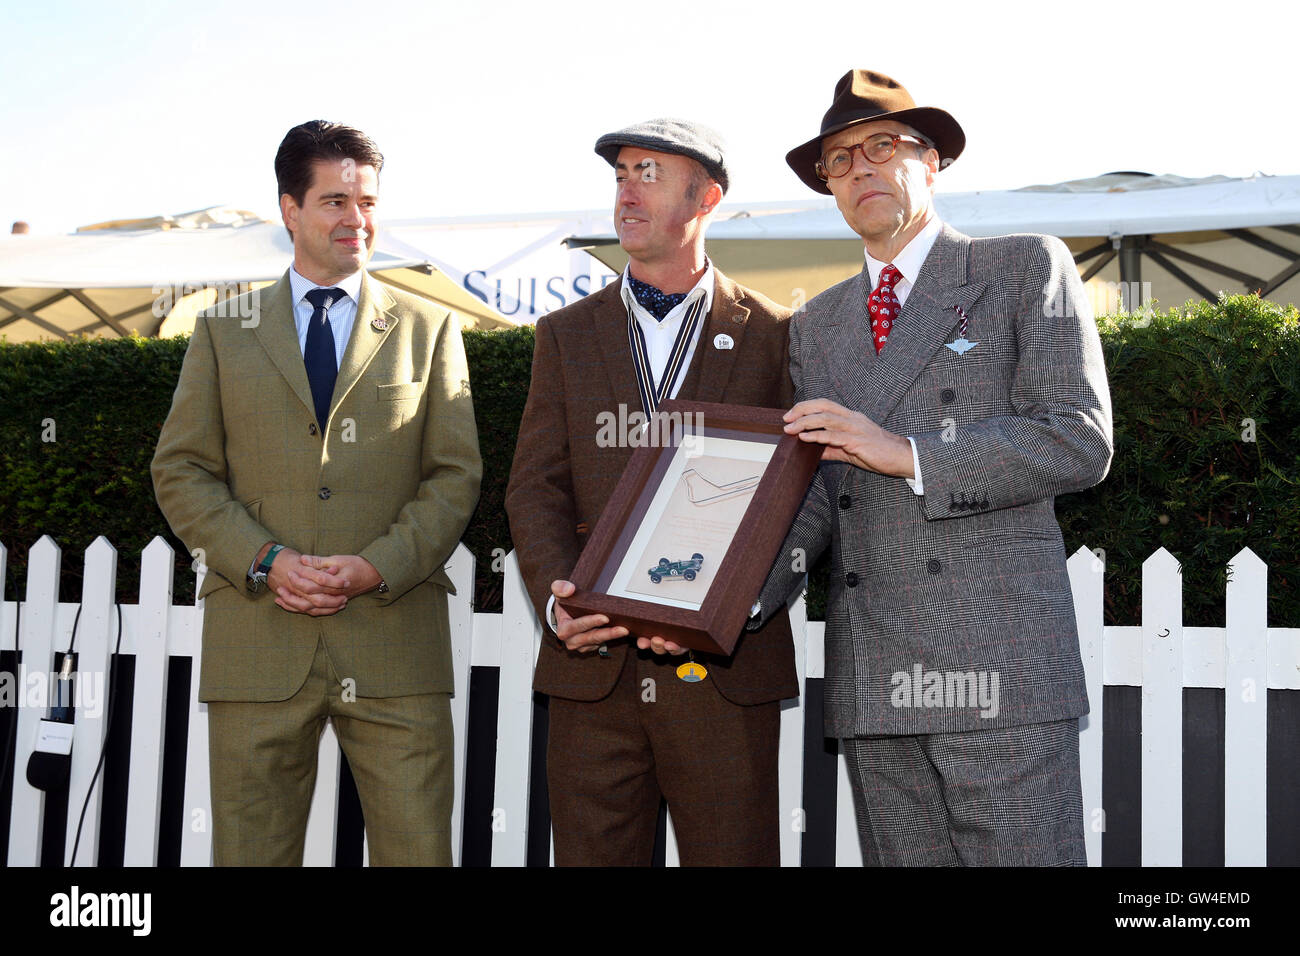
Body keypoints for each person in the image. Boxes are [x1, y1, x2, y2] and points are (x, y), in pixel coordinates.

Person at [753, 71, 1114, 865]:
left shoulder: (1023, 268)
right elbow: (818, 490)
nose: (860, 170)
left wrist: (909, 453)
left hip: (1001, 671)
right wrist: (729, 594)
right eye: (838, 161)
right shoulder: (817, 323)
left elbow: (1080, 438)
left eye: (882, 146)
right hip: (874, 678)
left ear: (932, 160)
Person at [151, 120, 481, 866]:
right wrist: (263, 558)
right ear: (289, 210)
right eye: (335, 201)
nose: (355, 220)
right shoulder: (220, 331)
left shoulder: (431, 328)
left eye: (367, 201)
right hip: (257, 642)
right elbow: (180, 469)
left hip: (396, 643)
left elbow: (455, 475)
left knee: (419, 854)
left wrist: (379, 565)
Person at [506, 119, 797, 866]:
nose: (627, 191)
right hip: (591, 678)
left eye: (649, 174)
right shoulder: (564, 335)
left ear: (707, 199)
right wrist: (559, 600)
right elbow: (534, 489)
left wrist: (733, 604)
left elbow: (800, 494)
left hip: (723, 677)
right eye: (620, 175)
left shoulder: (778, 334)